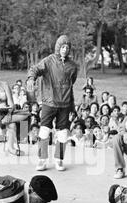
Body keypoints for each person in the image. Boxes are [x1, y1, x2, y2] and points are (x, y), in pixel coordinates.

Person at [26, 35, 78, 172]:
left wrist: (72, 105)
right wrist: (31, 79)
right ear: (58, 47)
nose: (65, 49)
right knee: (44, 131)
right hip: (49, 102)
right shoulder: (48, 61)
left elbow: (71, 84)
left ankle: (59, 160)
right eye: (63, 47)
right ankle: (42, 160)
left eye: (67, 47)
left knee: (63, 134)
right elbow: (35, 69)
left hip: (65, 104)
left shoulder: (73, 66)